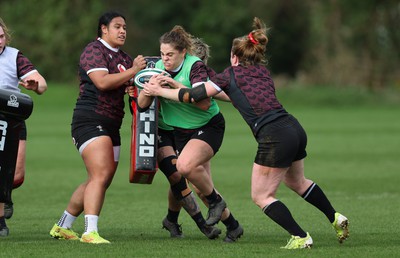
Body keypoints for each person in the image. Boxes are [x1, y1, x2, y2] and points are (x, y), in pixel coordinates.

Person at [143, 17, 350, 249]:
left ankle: (300, 236)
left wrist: (158, 90)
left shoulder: (228, 75)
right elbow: (230, 95)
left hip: (273, 136)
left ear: (234, 57)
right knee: (298, 182)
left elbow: (194, 97)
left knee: (261, 196)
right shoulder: (263, 73)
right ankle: (335, 217)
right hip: (294, 128)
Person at [49, 11, 146, 244]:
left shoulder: (124, 57)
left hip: (113, 125)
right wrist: (133, 71)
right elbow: (102, 82)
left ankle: (62, 226)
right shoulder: (94, 50)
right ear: (104, 29)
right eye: (117, 26)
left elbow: (130, 91)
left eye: (125, 27)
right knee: (100, 175)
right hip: (90, 120)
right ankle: (90, 232)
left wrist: (134, 88)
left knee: (100, 178)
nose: (123, 31)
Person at [139, 26, 243, 243]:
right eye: (162, 54)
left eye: (170, 55)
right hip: (181, 133)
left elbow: (204, 103)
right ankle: (233, 227)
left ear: (183, 53)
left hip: (208, 126)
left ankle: (216, 202)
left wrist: (170, 87)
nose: (164, 60)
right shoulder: (157, 68)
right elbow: (141, 105)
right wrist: (151, 90)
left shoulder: (195, 67)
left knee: (185, 168)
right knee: (199, 184)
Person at [0, 17, 47, 237]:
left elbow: (42, 83)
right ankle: (1, 221)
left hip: (13, 119)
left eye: (1, 37)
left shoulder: (14, 56)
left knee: (15, 175)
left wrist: (35, 85)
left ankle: (6, 195)